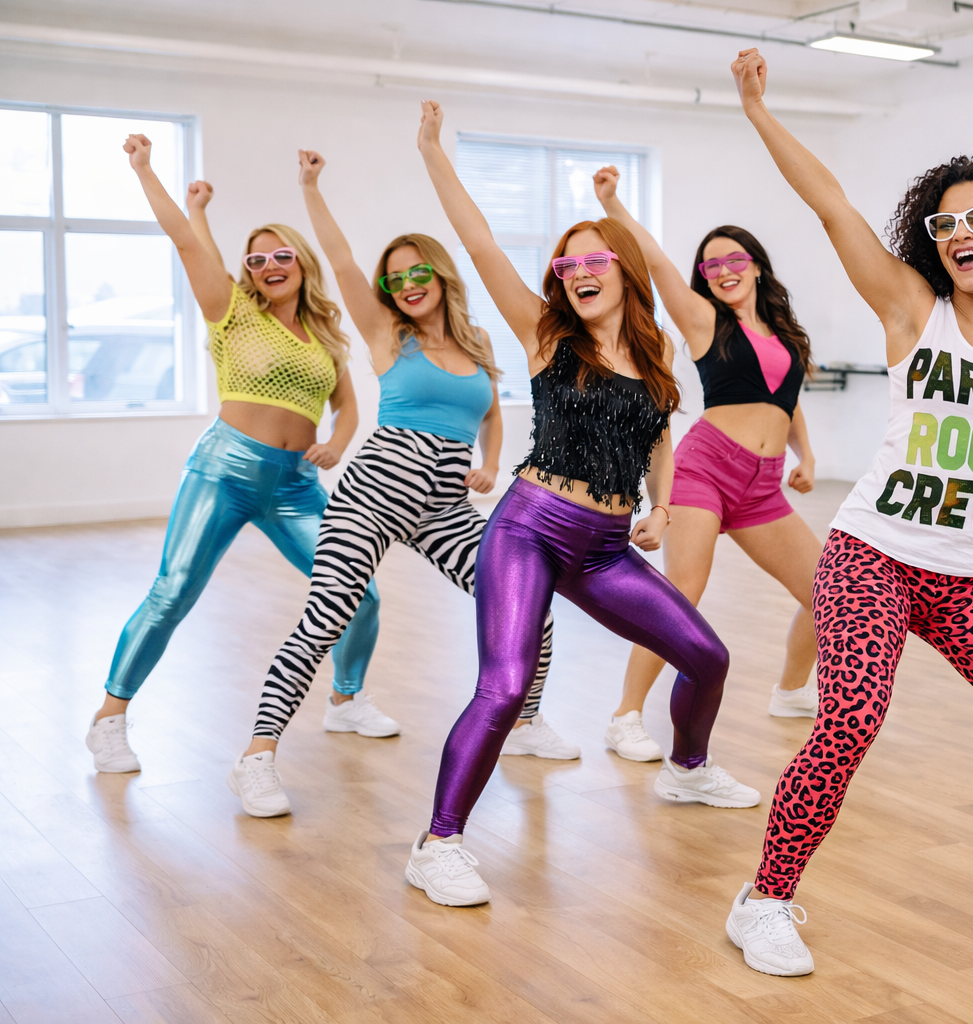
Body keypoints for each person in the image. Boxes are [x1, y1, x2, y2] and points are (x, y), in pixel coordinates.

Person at [722, 49, 973, 977]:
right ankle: (765, 899)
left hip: (971, 578)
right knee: (849, 722)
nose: (959, 233)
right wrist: (757, 112)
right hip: (870, 555)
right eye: (944, 224)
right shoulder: (913, 309)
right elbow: (832, 206)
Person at [403, 100, 758, 907]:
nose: (579, 273)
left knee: (707, 656)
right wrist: (433, 152)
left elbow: (658, 436)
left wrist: (662, 509)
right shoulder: (542, 333)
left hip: (603, 546)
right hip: (528, 528)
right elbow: (480, 241)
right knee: (504, 685)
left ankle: (689, 770)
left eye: (594, 261)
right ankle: (438, 843)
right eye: (566, 266)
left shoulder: (655, 351)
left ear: (623, 271)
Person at [225, 150, 570, 817]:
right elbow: (343, 260)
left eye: (418, 273)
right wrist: (310, 187)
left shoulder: (476, 345)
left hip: (444, 506)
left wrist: (492, 465)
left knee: (532, 602)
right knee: (325, 618)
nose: (408, 284)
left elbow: (494, 414)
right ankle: (256, 756)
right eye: (397, 278)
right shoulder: (388, 334)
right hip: (373, 496)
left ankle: (526, 724)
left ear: (440, 276)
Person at [86, 135, 381, 774]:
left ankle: (347, 698)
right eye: (255, 260)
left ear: (301, 262)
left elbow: (348, 406)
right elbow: (189, 242)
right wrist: (146, 171)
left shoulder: (326, 336)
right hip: (225, 469)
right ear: (247, 273)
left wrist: (335, 443)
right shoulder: (231, 313)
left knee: (359, 591)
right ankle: (110, 718)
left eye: (281, 256)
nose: (268, 266)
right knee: (174, 592)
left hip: (296, 484)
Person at [592, 170, 822, 762]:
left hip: (763, 487)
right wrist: (612, 202)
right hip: (705, 469)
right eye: (711, 265)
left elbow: (785, 402)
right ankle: (625, 715)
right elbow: (658, 261)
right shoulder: (703, 321)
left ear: (757, 265)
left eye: (733, 259)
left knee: (827, 590)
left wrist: (806, 454)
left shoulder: (786, 335)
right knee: (683, 592)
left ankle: (792, 690)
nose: (722, 270)